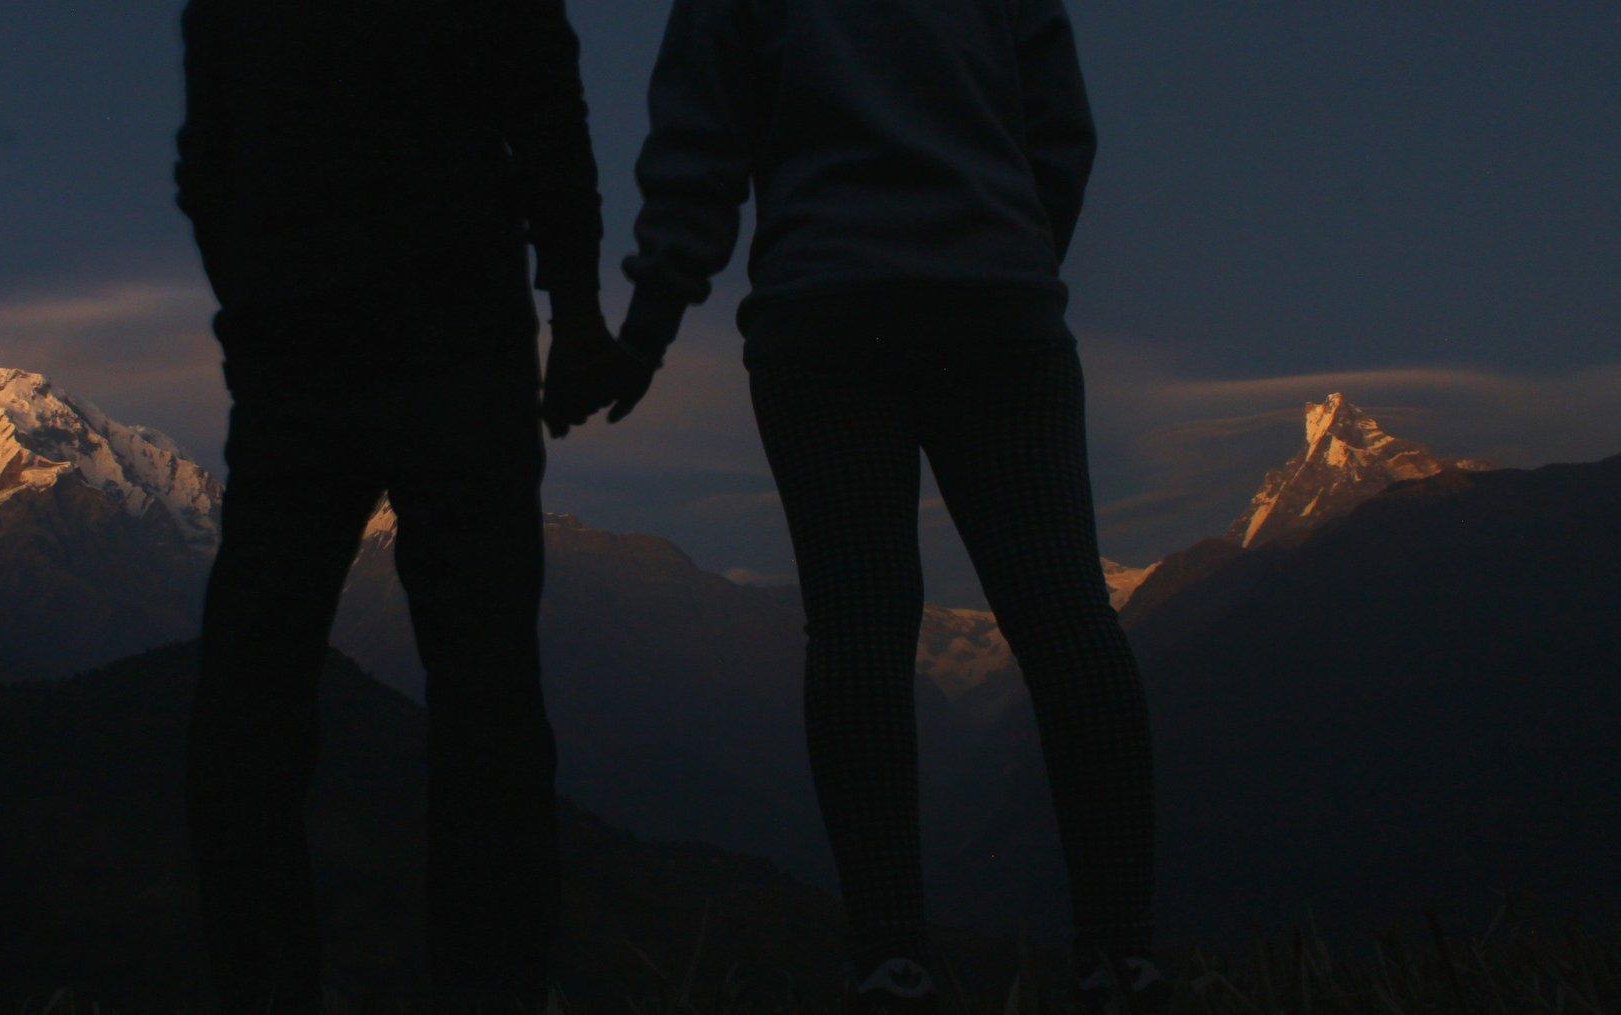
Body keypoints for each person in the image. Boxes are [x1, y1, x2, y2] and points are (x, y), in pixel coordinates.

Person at [541, 0, 1164, 1011]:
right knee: (1064, 620)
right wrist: (1007, 252)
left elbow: (697, 155)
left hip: (822, 320)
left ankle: (888, 959)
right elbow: (1058, 128)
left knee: (857, 627)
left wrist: (647, 328)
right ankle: (1121, 956)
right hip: (997, 310)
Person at [174, 0, 609, 1009]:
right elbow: (546, 109)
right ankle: (493, 988)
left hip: (306, 358)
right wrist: (576, 310)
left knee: (250, 706)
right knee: (486, 698)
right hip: (457, 341)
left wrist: (256, 308)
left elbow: (207, 157)